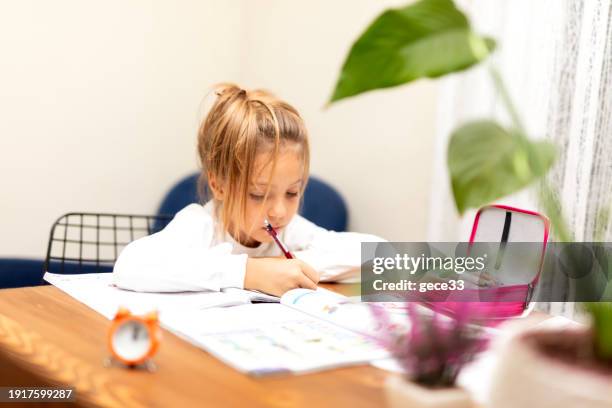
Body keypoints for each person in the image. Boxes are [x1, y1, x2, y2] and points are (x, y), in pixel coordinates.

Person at [112, 83, 384, 296]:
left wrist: (288, 266)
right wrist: (248, 272)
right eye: (258, 195)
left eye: (292, 193)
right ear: (219, 185)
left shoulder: (291, 230)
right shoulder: (202, 224)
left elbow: (381, 252)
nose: (279, 211)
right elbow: (130, 266)